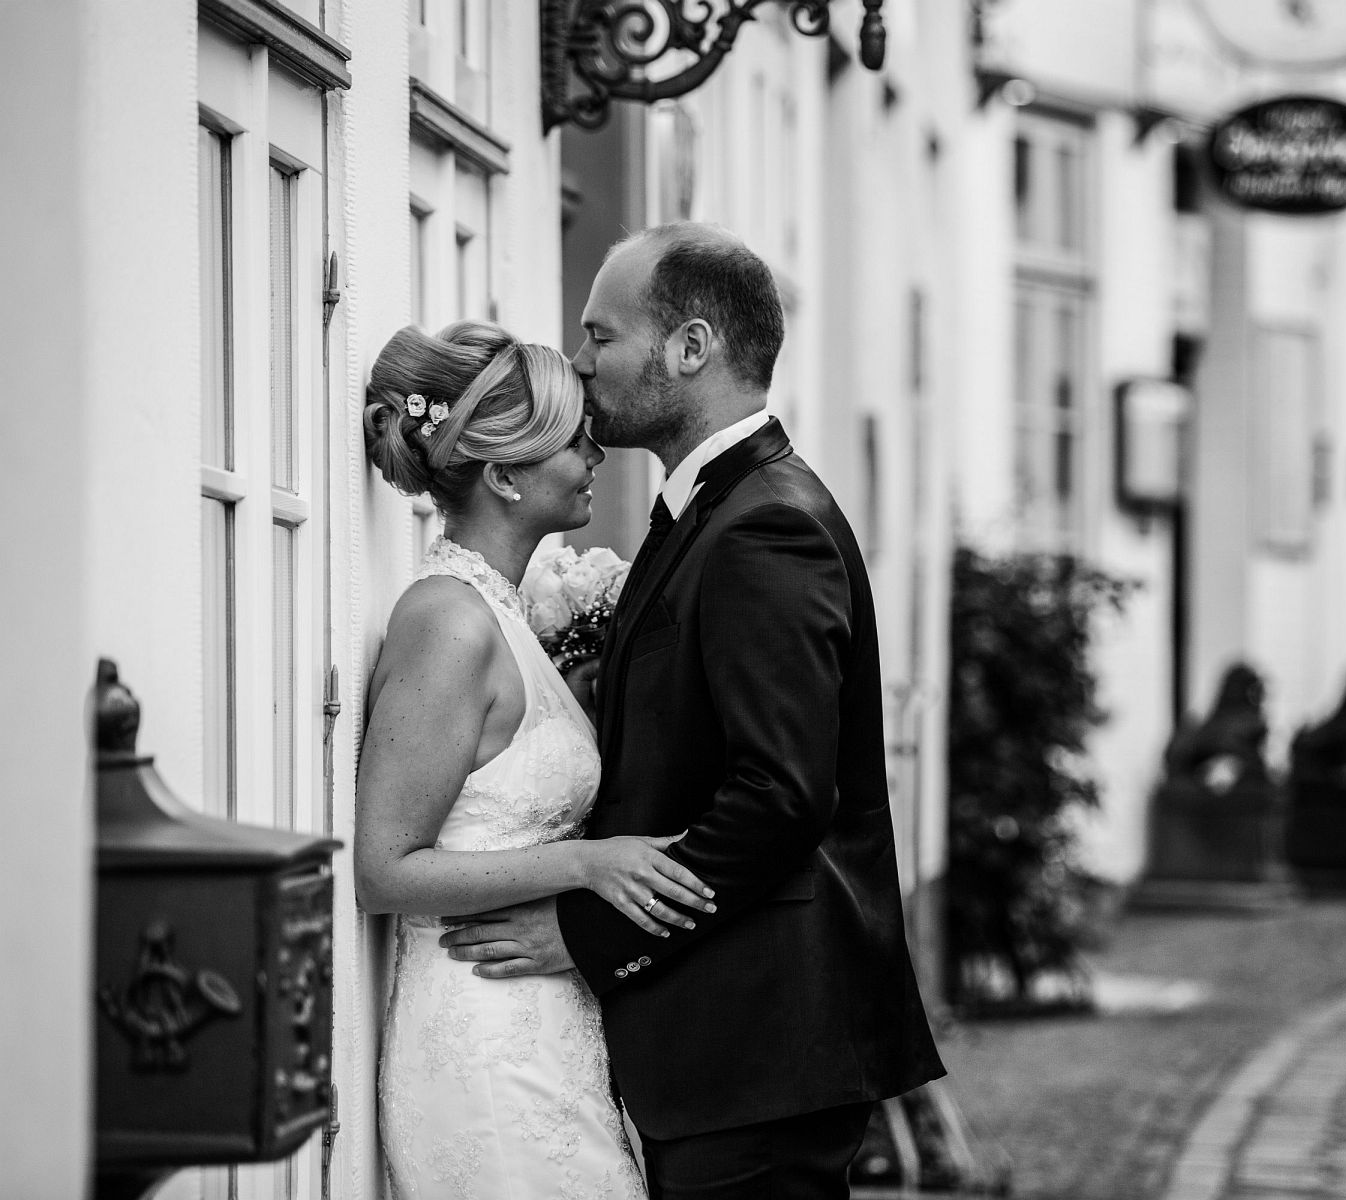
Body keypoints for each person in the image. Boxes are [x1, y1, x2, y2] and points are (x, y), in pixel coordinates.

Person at [438, 223, 946, 1198]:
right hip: (722, 1046)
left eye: (602, 337)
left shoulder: (766, 528)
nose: (581, 366)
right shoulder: (712, 510)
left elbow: (781, 796)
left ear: (691, 348)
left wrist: (591, 935)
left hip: (757, 1047)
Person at [358, 320, 716, 1200]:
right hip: (482, 1040)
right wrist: (587, 864)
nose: (596, 453)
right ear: (506, 474)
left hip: (545, 1025)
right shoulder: (447, 620)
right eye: (572, 438)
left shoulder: (507, 616)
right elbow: (383, 869)